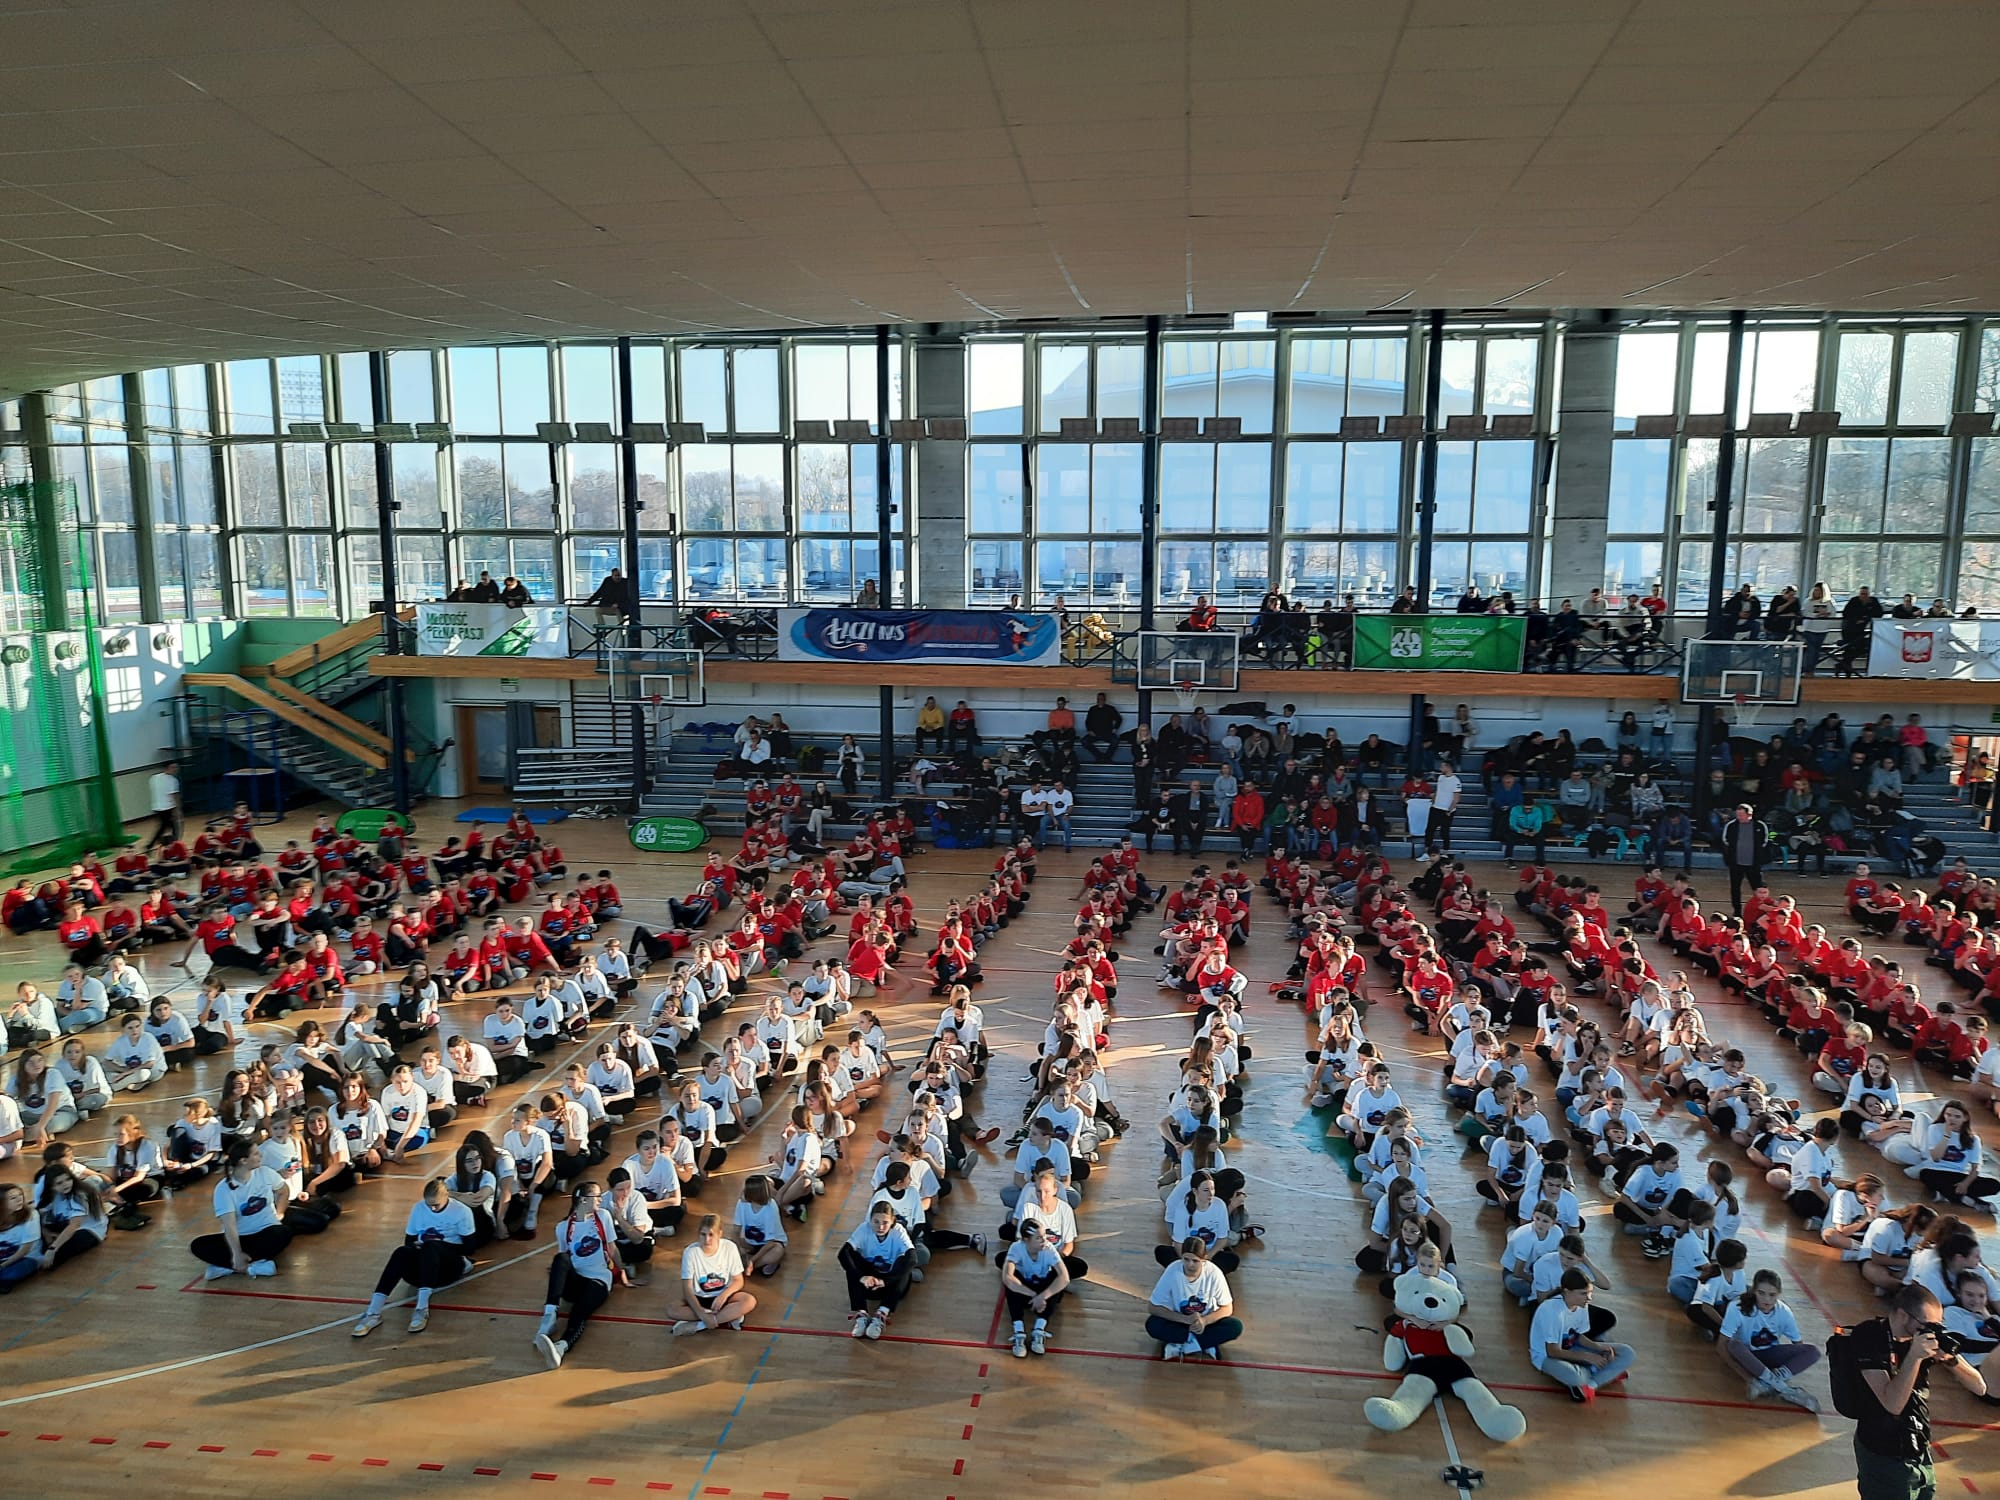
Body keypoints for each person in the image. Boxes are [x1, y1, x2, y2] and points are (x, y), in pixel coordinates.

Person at [1846, 1284, 1989, 1499]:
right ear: (1903, 1315)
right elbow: (1893, 1404)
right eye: (1928, 1324)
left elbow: (1979, 1387)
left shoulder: (1924, 1340)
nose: (1932, 1331)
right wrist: (1914, 1357)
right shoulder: (1870, 1336)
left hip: (1918, 1445)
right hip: (1883, 1452)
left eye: (1938, 1325)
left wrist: (1950, 1360)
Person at [352, 1177, 476, 1336]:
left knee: (431, 1247)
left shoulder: (461, 1211)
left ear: (447, 1197)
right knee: (401, 1252)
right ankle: (373, 1312)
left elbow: (470, 1248)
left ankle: (422, 1309)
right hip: (422, 1270)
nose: (432, 1209)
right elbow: (409, 1241)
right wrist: (415, 1246)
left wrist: (438, 1245)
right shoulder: (418, 1209)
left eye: (436, 1205)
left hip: (448, 1268)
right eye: (428, 1205)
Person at [535, 1181, 619, 1368]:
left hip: (598, 1280)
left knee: (580, 1311)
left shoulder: (603, 1216)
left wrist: (623, 1273)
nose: (600, 1199)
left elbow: (612, 1249)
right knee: (560, 1259)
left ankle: (561, 1347)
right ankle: (549, 1315)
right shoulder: (562, 1227)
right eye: (596, 1196)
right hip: (576, 1281)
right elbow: (564, 1256)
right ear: (583, 1200)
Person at [189, 1139, 292, 1280]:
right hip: (239, 1238)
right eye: (256, 1154)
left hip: (265, 1232)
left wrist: (279, 1213)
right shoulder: (224, 1188)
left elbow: (283, 1190)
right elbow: (229, 1225)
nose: (260, 1155)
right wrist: (236, 1254)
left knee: (283, 1232)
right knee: (198, 1245)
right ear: (244, 1161)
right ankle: (253, 1266)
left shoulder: (265, 1172)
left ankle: (226, 1267)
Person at [1529, 1266, 1635, 1402]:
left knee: (1627, 1352)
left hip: (1572, 1348)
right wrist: (1587, 1356)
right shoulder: (1552, 1312)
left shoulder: (1581, 1305)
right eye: (1583, 1293)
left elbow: (1578, 1336)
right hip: (1547, 1357)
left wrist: (1599, 1348)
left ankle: (1590, 1385)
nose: (1589, 1298)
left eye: (1590, 1292)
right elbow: (1553, 1352)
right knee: (1576, 1378)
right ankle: (1601, 1374)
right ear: (1567, 1291)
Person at [1146, 1236, 1241, 1360]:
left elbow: (1227, 1308)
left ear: (1204, 1259)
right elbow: (1152, 1307)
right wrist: (1185, 1319)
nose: (1190, 1265)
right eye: (1186, 1259)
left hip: (1205, 1324)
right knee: (1152, 1324)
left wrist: (1205, 1321)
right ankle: (1202, 1343)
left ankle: (1183, 1343)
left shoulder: (1214, 1273)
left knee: (1235, 1326)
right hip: (1179, 1321)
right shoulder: (1172, 1271)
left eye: (1195, 1261)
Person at [671, 1211, 757, 1337]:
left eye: (711, 1235)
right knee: (672, 1309)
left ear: (719, 1234)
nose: (707, 1240)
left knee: (749, 1301)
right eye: (703, 1234)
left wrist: (723, 1296)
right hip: (700, 1298)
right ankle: (728, 1316)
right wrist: (701, 1313)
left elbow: (738, 1280)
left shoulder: (730, 1247)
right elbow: (687, 1289)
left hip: (723, 1297)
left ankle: (699, 1326)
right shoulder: (690, 1252)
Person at [1721, 803, 1768, 915]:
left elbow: (1765, 841)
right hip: (1736, 864)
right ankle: (1737, 911)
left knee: (1758, 888)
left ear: (1749, 814)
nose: (1739, 817)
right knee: (1735, 888)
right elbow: (1725, 840)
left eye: (1741, 815)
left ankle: (1760, 909)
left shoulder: (1760, 826)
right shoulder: (1731, 825)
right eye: (1738, 815)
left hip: (1753, 864)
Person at [145, 760, 182, 849]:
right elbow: (174, 795)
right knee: (173, 826)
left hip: (156, 807)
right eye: (173, 767)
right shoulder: (172, 780)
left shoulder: (154, 778)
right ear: (168, 768)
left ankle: (153, 843)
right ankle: (174, 843)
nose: (176, 769)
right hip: (167, 807)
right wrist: (178, 809)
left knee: (164, 826)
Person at [1084, 693, 1125, 763]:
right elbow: (1087, 721)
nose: (1100, 700)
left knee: (1116, 741)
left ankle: (1106, 757)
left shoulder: (1110, 709)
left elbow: (1119, 719)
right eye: (1098, 699)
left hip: (1107, 733)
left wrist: (1115, 728)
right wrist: (1089, 730)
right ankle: (1099, 756)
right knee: (1084, 741)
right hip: (1095, 734)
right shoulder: (1092, 709)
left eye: (1101, 699)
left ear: (1105, 699)